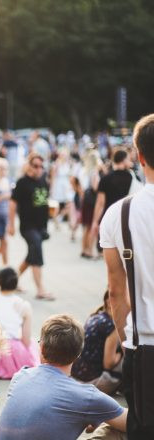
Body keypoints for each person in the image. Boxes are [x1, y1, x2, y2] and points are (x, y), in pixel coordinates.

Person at [100, 114, 154, 439]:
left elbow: (116, 294)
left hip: (143, 345)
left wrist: (127, 342)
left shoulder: (119, 213)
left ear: (139, 155)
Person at [0, 314, 127, 440]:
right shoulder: (87, 396)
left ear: (41, 348)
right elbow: (133, 423)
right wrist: (100, 413)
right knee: (116, 430)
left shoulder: (21, 376)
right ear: (78, 354)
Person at [0, 267, 39, 379]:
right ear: (16, 283)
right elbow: (26, 340)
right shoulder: (24, 305)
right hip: (13, 351)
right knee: (33, 343)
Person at [9, 154, 53, 300]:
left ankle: (11, 281)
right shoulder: (22, 182)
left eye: (41, 166)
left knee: (31, 256)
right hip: (27, 226)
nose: (38, 169)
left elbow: (45, 201)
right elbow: (13, 203)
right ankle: (41, 290)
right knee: (37, 254)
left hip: (41, 226)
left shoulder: (43, 181)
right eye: (35, 166)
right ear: (29, 165)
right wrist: (11, 224)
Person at [72, 291, 122, 394]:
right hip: (93, 383)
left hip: (76, 376)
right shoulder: (112, 325)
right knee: (130, 355)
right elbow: (108, 363)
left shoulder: (94, 316)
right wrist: (120, 354)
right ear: (109, 301)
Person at [91, 148, 133, 240]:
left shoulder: (105, 178)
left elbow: (100, 203)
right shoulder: (131, 178)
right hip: (125, 219)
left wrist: (95, 222)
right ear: (124, 160)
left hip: (108, 218)